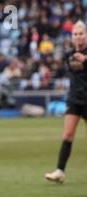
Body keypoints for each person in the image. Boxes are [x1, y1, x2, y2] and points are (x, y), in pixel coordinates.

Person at [45, 21, 87, 184]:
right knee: (68, 135)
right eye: (75, 34)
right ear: (72, 36)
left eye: (81, 33)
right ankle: (60, 171)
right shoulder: (69, 54)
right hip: (74, 99)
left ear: (86, 35)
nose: (78, 36)